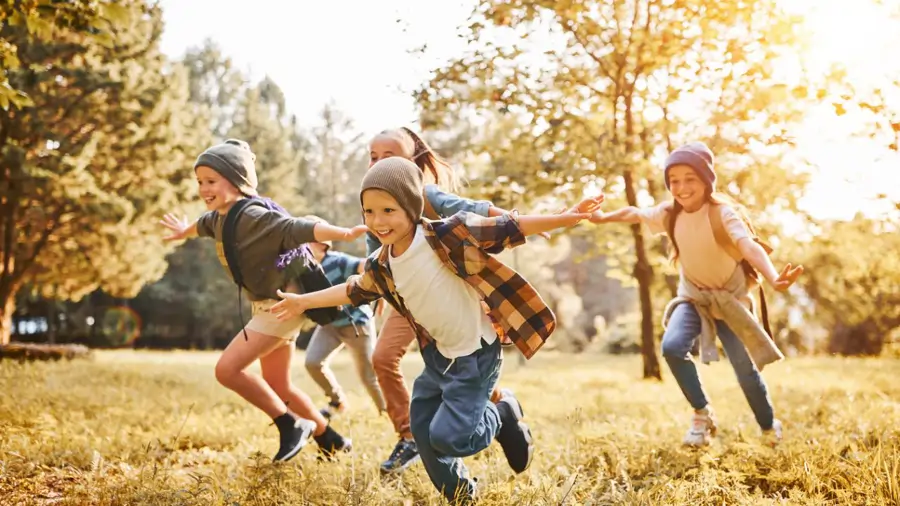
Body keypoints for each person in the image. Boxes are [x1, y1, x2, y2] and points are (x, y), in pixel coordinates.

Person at [271, 156, 603, 503]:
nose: (378, 221)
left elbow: (507, 226)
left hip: (475, 354)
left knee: (450, 438)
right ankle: (462, 495)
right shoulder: (382, 264)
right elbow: (354, 289)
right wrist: (303, 301)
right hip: (438, 358)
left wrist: (568, 216)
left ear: (412, 207)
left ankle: (502, 414)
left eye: (388, 210)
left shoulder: (447, 235)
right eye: (369, 212)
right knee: (423, 433)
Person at [159, 139, 367, 461]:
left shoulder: (253, 215)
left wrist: (343, 233)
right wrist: (181, 231)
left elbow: (296, 228)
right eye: (200, 182)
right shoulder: (218, 218)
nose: (203, 189)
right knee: (278, 384)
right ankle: (331, 441)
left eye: (211, 181)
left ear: (238, 180)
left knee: (227, 370)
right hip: (269, 304)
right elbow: (200, 226)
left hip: (283, 304)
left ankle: (290, 426)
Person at [587, 141, 803, 447]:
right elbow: (634, 212)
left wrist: (773, 277)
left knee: (745, 369)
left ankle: (769, 426)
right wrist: (602, 217)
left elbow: (748, 246)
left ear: (706, 180)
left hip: (731, 302)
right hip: (694, 298)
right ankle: (702, 414)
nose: (681, 187)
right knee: (673, 347)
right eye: (674, 181)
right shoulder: (669, 214)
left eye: (690, 178)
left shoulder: (723, 214)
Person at [301, 215, 387, 418]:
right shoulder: (304, 269)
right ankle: (337, 402)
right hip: (329, 326)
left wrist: (381, 288)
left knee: (368, 376)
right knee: (313, 362)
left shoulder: (338, 261)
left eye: (306, 240)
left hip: (356, 325)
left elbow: (365, 266)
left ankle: (387, 412)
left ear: (321, 243)